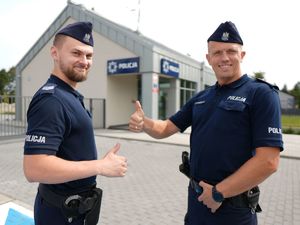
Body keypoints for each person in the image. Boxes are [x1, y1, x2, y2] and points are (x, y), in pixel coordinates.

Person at [129, 21, 283, 225]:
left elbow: (268, 161)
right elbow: (166, 128)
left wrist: (219, 193)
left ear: (242, 55)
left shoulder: (261, 94)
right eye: (217, 52)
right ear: (209, 58)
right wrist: (144, 123)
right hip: (197, 204)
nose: (224, 57)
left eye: (231, 51)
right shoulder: (202, 97)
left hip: (232, 211)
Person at [23, 21, 128, 225]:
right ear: (55, 53)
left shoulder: (69, 95)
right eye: (76, 53)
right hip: (60, 215)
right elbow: (34, 168)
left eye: (89, 56)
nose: (85, 61)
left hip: (75, 212)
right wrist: (100, 166)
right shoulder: (51, 100)